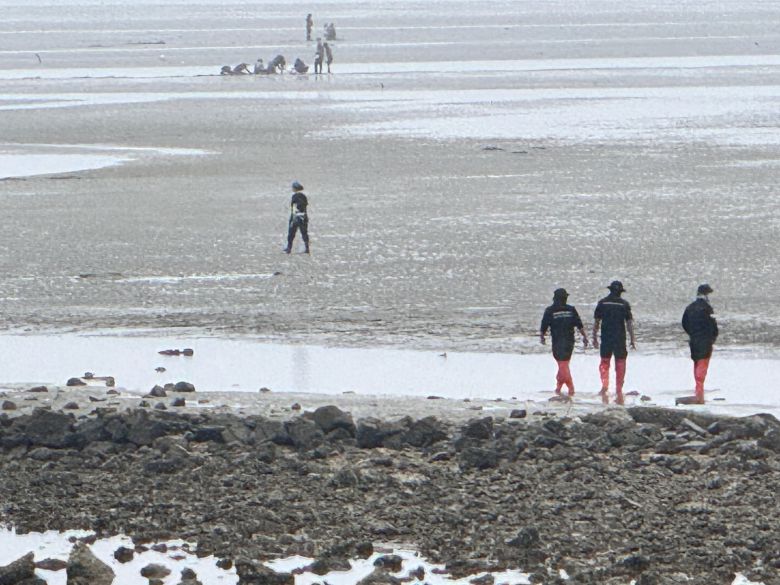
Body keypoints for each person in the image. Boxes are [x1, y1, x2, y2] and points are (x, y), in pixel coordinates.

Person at [592, 280, 636, 404]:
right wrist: (632, 339)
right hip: (619, 338)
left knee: (604, 363)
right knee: (620, 363)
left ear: (610, 290)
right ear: (620, 292)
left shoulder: (602, 303)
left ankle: (604, 386)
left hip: (606, 337)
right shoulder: (624, 304)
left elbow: (597, 322)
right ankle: (618, 388)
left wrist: (594, 337)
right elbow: (629, 324)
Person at [540, 288, 589, 398]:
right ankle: (558, 388)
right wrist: (584, 337)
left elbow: (544, 326)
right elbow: (579, 324)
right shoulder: (571, 310)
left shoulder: (550, 310)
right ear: (565, 298)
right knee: (564, 365)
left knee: (562, 365)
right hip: (569, 342)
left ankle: (571, 388)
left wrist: (542, 337)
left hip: (557, 341)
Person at [682, 284, 718, 404]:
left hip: (694, 340)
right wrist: (712, 337)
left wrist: (692, 333)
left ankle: (698, 391)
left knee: (697, 363)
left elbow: (684, 323)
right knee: (703, 365)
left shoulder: (690, 307)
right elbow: (713, 326)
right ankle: (699, 393)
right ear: (706, 295)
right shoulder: (707, 308)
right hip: (705, 340)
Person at [284, 181, 310, 254]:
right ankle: (307, 248)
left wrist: (294, 216)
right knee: (304, 233)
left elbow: (295, 207)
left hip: (296, 217)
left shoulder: (295, 196)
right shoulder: (304, 196)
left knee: (291, 233)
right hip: (303, 217)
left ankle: (289, 248)